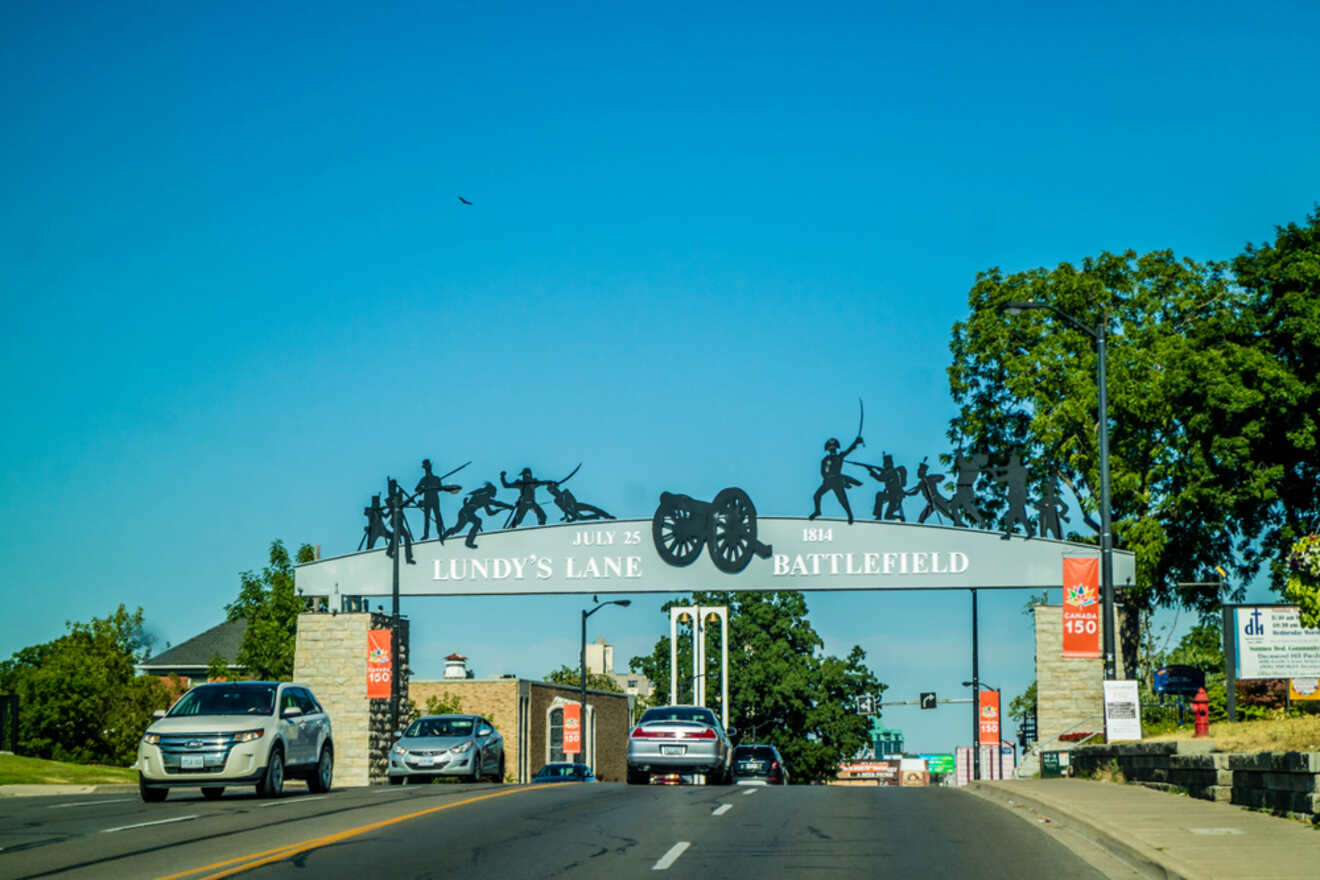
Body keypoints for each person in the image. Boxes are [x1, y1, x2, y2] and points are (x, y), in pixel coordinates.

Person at [809, 435, 863, 524]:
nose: (832, 450)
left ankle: (850, 515)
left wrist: (856, 442)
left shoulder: (839, 457)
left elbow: (849, 450)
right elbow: (822, 472)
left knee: (843, 500)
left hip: (837, 481)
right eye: (831, 449)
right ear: (828, 449)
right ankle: (817, 511)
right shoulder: (825, 460)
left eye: (833, 448)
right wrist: (826, 480)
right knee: (816, 496)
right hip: (828, 482)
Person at [443, 483, 512, 549]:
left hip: (467, 512)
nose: (495, 493)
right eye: (494, 492)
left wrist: (500, 510)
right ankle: (467, 542)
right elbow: (496, 504)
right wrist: (508, 506)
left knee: (462, 527)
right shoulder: (484, 497)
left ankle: (449, 536)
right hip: (465, 513)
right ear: (490, 491)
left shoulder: (485, 498)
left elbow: (489, 512)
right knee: (466, 526)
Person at [415, 459, 461, 541]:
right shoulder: (424, 479)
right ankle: (426, 535)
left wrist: (434, 487)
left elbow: (440, 489)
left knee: (438, 516)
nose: (427, 469)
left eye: (428, 467)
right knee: (426, 518)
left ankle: (440, 533)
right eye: (426, 467)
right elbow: (417, 489)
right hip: (427, 500)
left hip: (435, 499)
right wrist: (422, 489)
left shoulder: (436, 478)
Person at [547, 482, 613, 522]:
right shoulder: (556, 501)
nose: (553, 492)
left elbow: (573, 500)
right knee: (580, 518)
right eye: (551, 492)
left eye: (554, 490)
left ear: (556, 489)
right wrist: (567, 516)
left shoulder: (566, 492)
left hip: (575, 506)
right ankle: (595, 516)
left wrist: (573, 511)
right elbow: (564, 509)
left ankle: (607, 516)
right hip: (571, 511)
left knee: (592, 508)